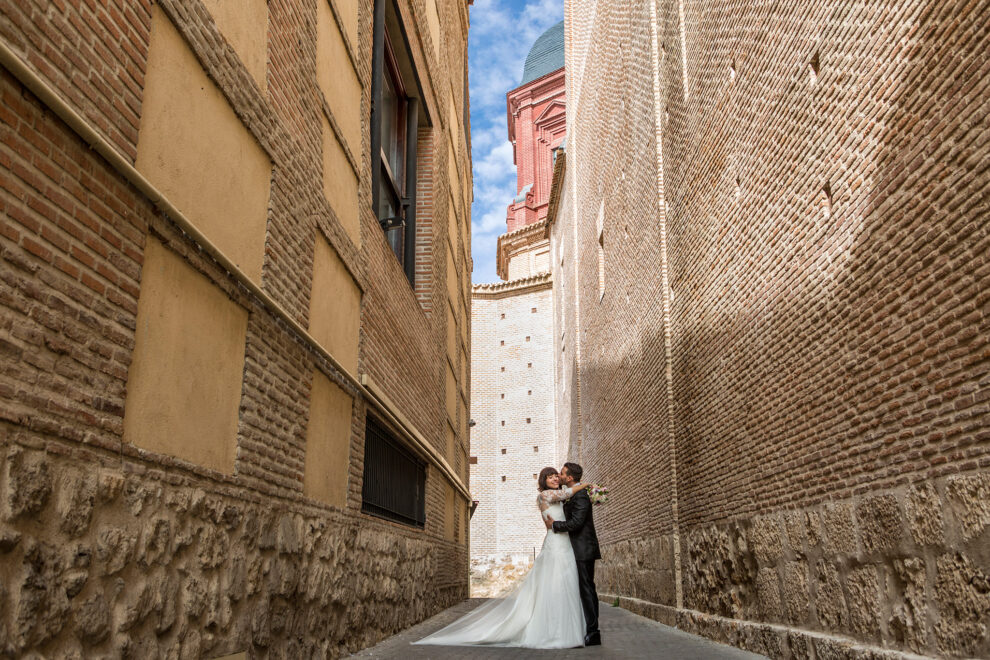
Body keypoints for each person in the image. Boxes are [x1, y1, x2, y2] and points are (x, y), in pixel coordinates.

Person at [412, 467, 587, 648]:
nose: (555, 479)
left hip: (564, 543)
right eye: (550, 477)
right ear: (544, 481)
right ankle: (552, 632)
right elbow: (568, 493)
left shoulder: (558, 496)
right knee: (554, 584)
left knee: (565, 583)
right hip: (555, 544)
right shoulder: (545, 496)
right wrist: (586, 486)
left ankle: (568, 630)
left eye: (556, 476)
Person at [545, 462, 602, 646]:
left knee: (587, 589)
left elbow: (577, 522)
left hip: (584, 549)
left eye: (561, 474)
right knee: (579, 589)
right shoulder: (572, 494)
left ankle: (593, 632)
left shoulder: (581, 496)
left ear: (569, 477)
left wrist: (555, 525)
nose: (559, 476)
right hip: (573, 548)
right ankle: (581, 627)